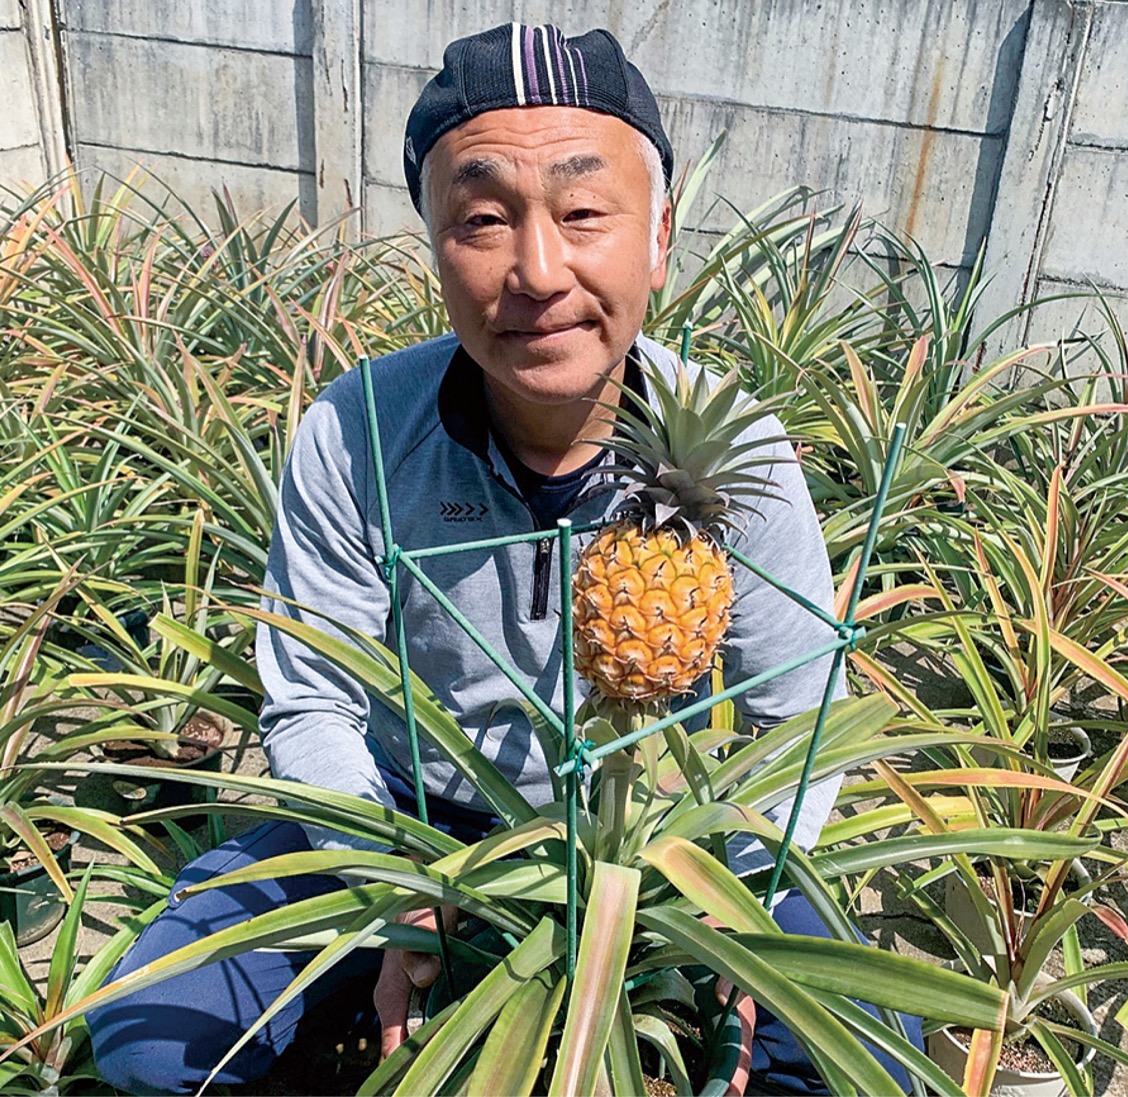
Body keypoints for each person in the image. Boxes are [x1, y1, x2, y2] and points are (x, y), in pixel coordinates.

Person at [87, 24, 920, 1095]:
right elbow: (311, 703)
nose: (537, 268)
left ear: (658, 237)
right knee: (160, 1034)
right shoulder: (356, 430)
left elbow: (802, 715)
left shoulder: (734, 443)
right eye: (483, 217)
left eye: (583, 212)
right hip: (407, 810)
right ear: (436, 247)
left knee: (874, 1058)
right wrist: (393, 881)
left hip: (658, 824)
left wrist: (732, 886)